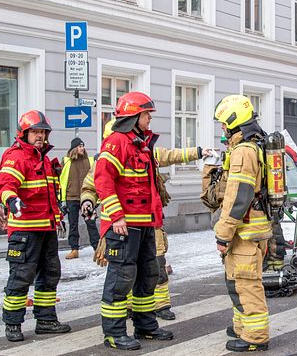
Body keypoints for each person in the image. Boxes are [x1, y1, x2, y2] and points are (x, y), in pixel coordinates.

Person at [83, 118, 210, 321]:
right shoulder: (105, 158)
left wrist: (198, 151)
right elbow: (91, 187)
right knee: (127, 271)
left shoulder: (145, 150)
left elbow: (171, 155)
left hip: (149, 222)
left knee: (154, 266)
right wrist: (87, 203)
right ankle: (130, 309)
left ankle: (159, 305)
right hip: (121, 226)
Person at [94, 92, 173, 350]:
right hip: (124, 225)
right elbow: (103, 181)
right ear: (134, 116)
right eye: (146, 114)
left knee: (147, 274)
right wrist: (116, 216)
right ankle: (114, 333)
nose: (150, 118)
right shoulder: (117, 142)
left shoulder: (140, 142)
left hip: (145, 223)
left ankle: (145, 325)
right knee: (121, 279)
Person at [0, 110, 72, 342]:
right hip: (25, 231)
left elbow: (49, 194)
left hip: (46, 229)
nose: (39, 136)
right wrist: (11, 199)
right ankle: (13, 323)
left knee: (50, 274)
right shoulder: (16, 157)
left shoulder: (44, 159)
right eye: (35, 132)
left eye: (42, 132)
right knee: (21, 276)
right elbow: (5, 184)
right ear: (24, 133)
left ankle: (46, 320)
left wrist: (59, 214)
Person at [213, 94, 272, 352]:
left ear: (234, 122)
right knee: (236, 280)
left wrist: (223, 233)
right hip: (251, 229)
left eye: (224, 124)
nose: (223, 130)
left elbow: (238, 197)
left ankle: (256, 336)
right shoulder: (254, 145)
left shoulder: (243, 151)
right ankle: (242, 326)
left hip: (244, 231)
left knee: (247, 283)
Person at [59, 137, 97, 259]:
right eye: (80, 146)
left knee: (91, 223)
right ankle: (74, 249)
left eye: (83, 146)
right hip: (71, 198)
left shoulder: (90, 161)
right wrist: (62, 200)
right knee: (73, 225)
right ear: (74, 148)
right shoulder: (66, 162)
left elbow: (95, 179)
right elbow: (61, 181)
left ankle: (97, 248)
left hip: (86, 198)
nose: (82, 148)